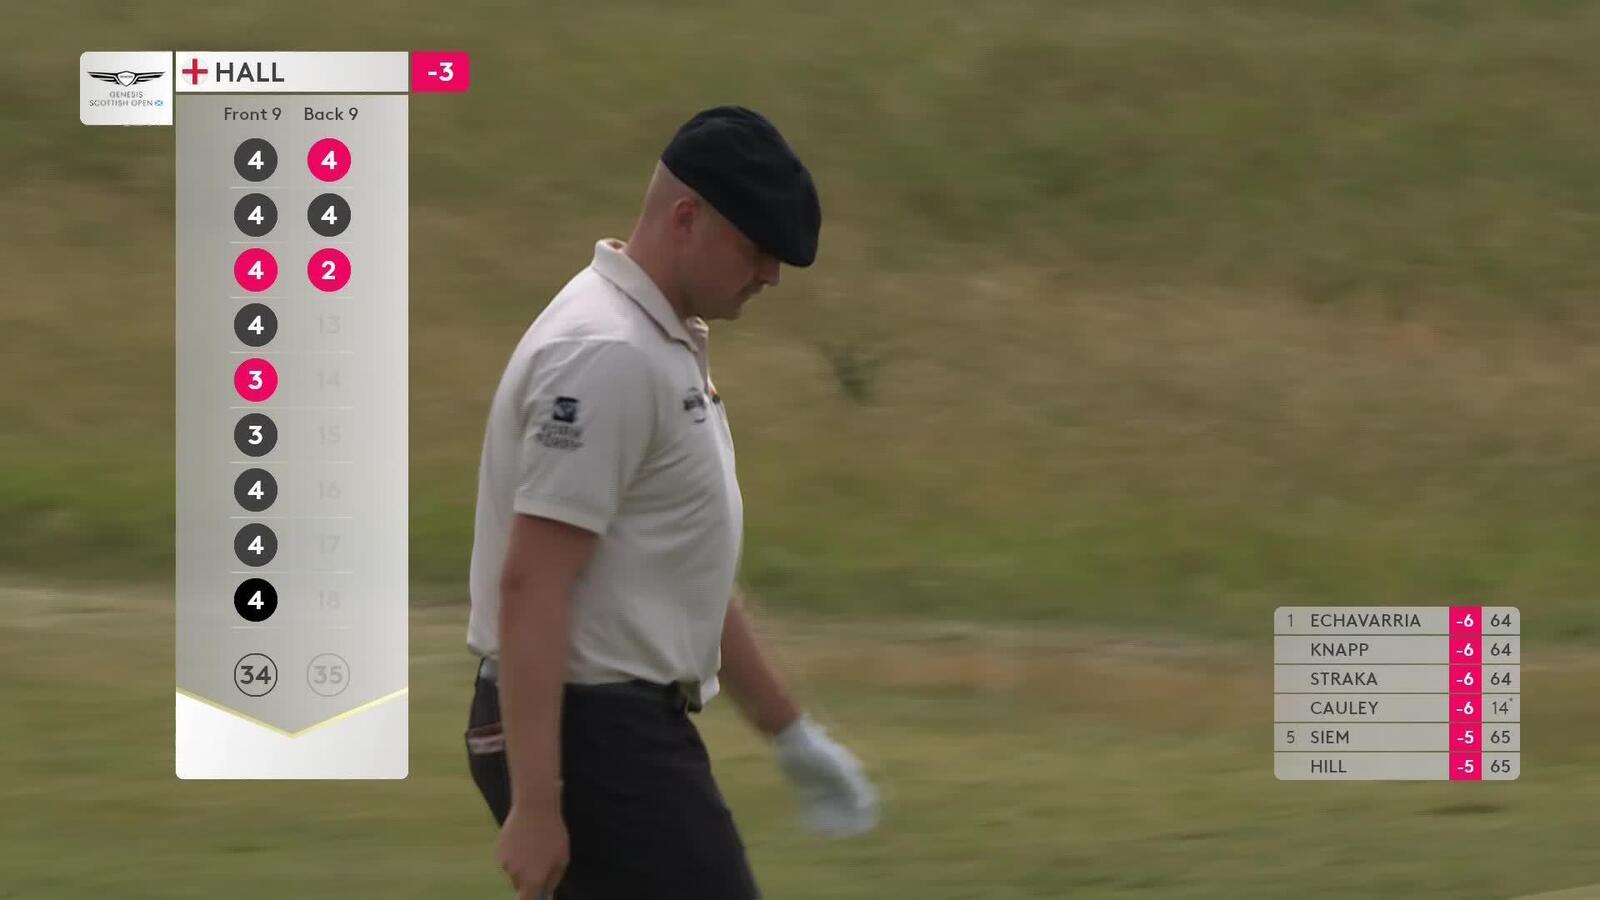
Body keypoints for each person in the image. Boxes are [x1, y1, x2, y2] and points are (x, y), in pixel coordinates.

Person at [464, 105, 879, 900]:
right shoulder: (607, 354)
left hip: (619, 731)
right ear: (687, 218)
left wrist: (791, 734)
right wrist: (537, 806)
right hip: (591, 733)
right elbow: (533, 584)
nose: (771, 276)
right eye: (758, 249)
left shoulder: (658, 342)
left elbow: (681, 571)